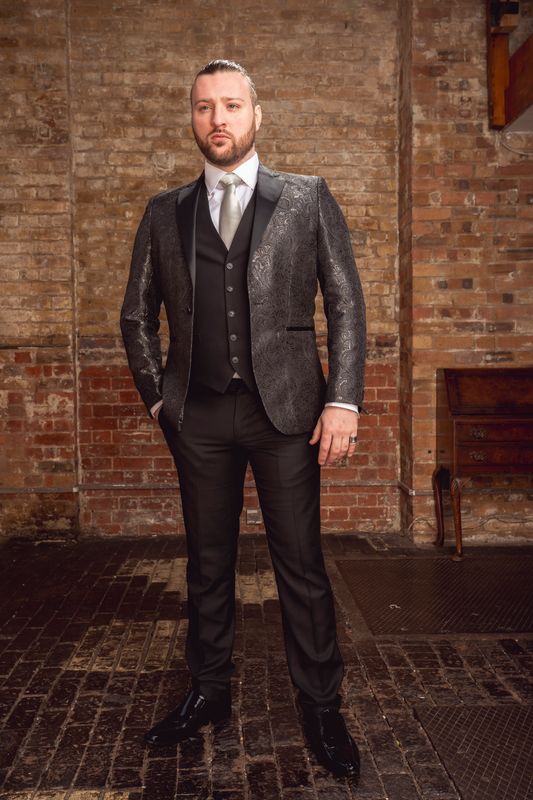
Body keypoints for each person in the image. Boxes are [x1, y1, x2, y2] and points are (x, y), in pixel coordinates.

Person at [120, 59, 366, 780]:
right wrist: (159, 399)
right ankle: (208, 692)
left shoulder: (306, 198)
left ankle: (321, 708)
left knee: (301, 566)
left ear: (256, 116)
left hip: (286, 412)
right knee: (206, 564)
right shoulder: (166, 212)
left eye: (230, 105)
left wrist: (342, 399)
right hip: (198, 414)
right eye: (203, 107)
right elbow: (137, 314)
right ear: (192, 119)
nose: (216, 119)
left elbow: (345, 302)